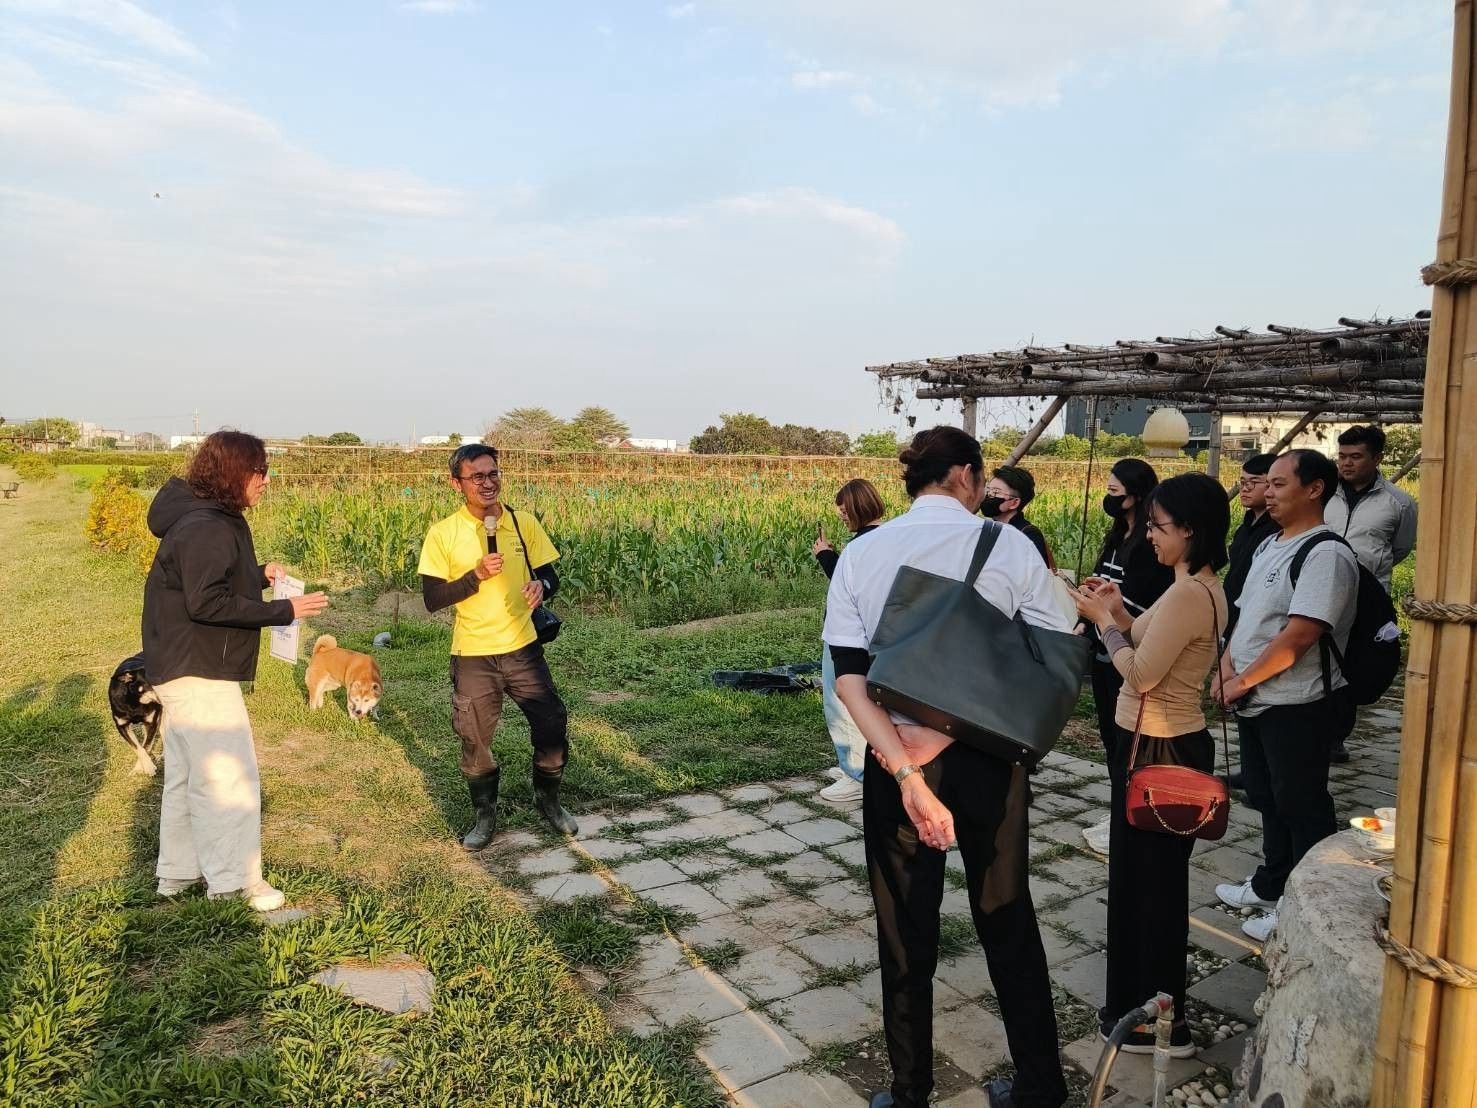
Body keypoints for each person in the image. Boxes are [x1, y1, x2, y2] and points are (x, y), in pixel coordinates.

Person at [824, 426, 1071, 1108]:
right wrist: (944, 735)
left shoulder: (861, 552)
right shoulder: (1008, 545)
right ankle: (1040, 1085)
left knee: (904, 927)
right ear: (965, 474)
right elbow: (1052, 651)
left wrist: (907, 765)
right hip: (988, 754)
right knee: (1006, 915)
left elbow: (849, 678)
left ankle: (910, 1092)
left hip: (893, 758)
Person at [1073, 473, 1230, 1057]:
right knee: (1143, 883)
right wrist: (1114, 608)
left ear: (1190, 530)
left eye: (1158, 527)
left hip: (1161, 746)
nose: (1149, 536)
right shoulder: (1189, 586)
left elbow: (1139, 672)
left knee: (1151, 890)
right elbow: (1140, 633)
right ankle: (1143, 1009)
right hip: (1155, 740)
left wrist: (1102, 624)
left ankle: (1156, 1020)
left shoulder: (1191, 594)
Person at [142, 431, 329, 911]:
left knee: (188, 775)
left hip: (183, 663)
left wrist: (257, 574)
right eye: (259, 470)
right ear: (233, 473)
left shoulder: (202, 516)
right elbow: (206, 601)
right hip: (198, 668)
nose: (265, 480)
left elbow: (208, 580)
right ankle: (234, 883)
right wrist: (283, 610)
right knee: (228, 776)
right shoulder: (206, 524)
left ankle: (178, 875)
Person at [1213, 449, 1358, 941]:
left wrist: (1241, 681)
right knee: (1265, 795)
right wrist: (1226, 665)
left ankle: (1306, 903)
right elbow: (1246, 616)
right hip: (1255, 697)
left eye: (1278, 484)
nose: (1267, 492)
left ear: (1314, 489)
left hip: (1297, 703)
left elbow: (1299, 636)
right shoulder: (1269, 544)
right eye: (1266, 484)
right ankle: (1271, 883)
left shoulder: (1326, 555)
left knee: (1301, 803)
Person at [418, 443, 574, 848]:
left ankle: (549, 801)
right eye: (477, 477)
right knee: (474, 738)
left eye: (493, 474)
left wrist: (541, 587)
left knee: (552, 725)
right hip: (473, 654)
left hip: (524, 648)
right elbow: (432, 599)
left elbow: (550, 576)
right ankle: (485, 816)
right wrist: (475, 576)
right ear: (457, 483)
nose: (488, 483)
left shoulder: (523, 523)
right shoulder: (443, 533)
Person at [1079, 459, 1175, 855]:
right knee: (1110, 735)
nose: (1109, 498)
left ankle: (1132, 809)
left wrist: (1103, 610)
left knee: (1130, 740)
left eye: (1114, 492)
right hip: (1106, 647)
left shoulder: (1149, 548)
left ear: (1135, 495)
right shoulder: (1117, 536)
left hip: (1131, 649)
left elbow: (1141, 606)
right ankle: (1119, 805)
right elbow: (1110, 589)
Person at [1323, 425, 1416, 762]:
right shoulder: (1323, 493)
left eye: (1356, 457)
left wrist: (1369, 570)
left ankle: (1336, 736)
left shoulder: (1399, 503)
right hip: (1322, 588)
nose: (1346, 463)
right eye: (1342, 456)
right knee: (1318, 658)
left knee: (1351, 663)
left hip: (1368, 597)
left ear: (1377, 458)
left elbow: (1400, 547)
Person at [812, 478, 887, 805]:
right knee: (868, 701)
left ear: (858, 507)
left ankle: (855, 773)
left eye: (844, 511)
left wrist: (826, 557)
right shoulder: (887, 537)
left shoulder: (861, 545)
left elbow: (847, 587)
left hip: (847, 636)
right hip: (871, 635)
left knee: (841, 702)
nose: (842, 517)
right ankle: (858, 763)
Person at [1221, 453, 1280, 791]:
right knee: (1240, 702)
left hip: (1259, 621)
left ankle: (1263, 776)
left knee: (1255, 696)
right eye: (1241, 482)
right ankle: (1251, 771)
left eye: (1254, 483)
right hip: (1236, 615)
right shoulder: (1247, 525)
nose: (1245, 489)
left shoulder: (1276, 530)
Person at [982, 465, 1055, 568]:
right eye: (988, 490)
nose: (989, 495)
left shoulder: (1029, 535)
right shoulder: (986, 528)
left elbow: (1036, 574)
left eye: (996, 492)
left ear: (1014, 502)